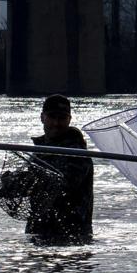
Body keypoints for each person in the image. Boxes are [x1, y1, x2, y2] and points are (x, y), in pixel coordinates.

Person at [27, 94, 94, 242]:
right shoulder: (39, 151)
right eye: (52, 117)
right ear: (42, 117)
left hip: (73, 235)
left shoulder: (78, 153)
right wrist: (5, 187)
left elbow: (64, 185)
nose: (56, 123)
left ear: (69, 120)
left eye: (62, 118)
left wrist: (29, 181)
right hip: (38, 231)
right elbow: (28, 184)